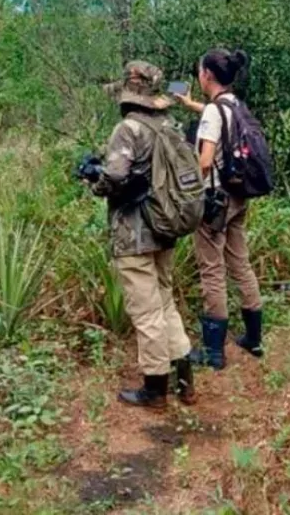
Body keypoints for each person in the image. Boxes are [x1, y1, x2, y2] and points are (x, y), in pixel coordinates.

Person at [86, 61, 196, 409]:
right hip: (166, 225)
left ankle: (155, 388)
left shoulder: (128, 129)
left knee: (147, 311)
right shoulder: (168, 125)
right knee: (165, 302)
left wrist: (94, 180)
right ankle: (185, 382)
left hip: (134, 232)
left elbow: (116, 176)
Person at [175, 48, 263, 369]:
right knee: (240, 262)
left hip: (216, 201)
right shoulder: (234, 104)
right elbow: (217, 118)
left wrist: (189, 190)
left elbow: (205, 161)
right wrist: (191, 105)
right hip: (238, 197)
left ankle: (214, 353)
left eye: (200, 70)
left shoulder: (214, 111)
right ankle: (254, 338)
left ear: (207, 75)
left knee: (212, 270)